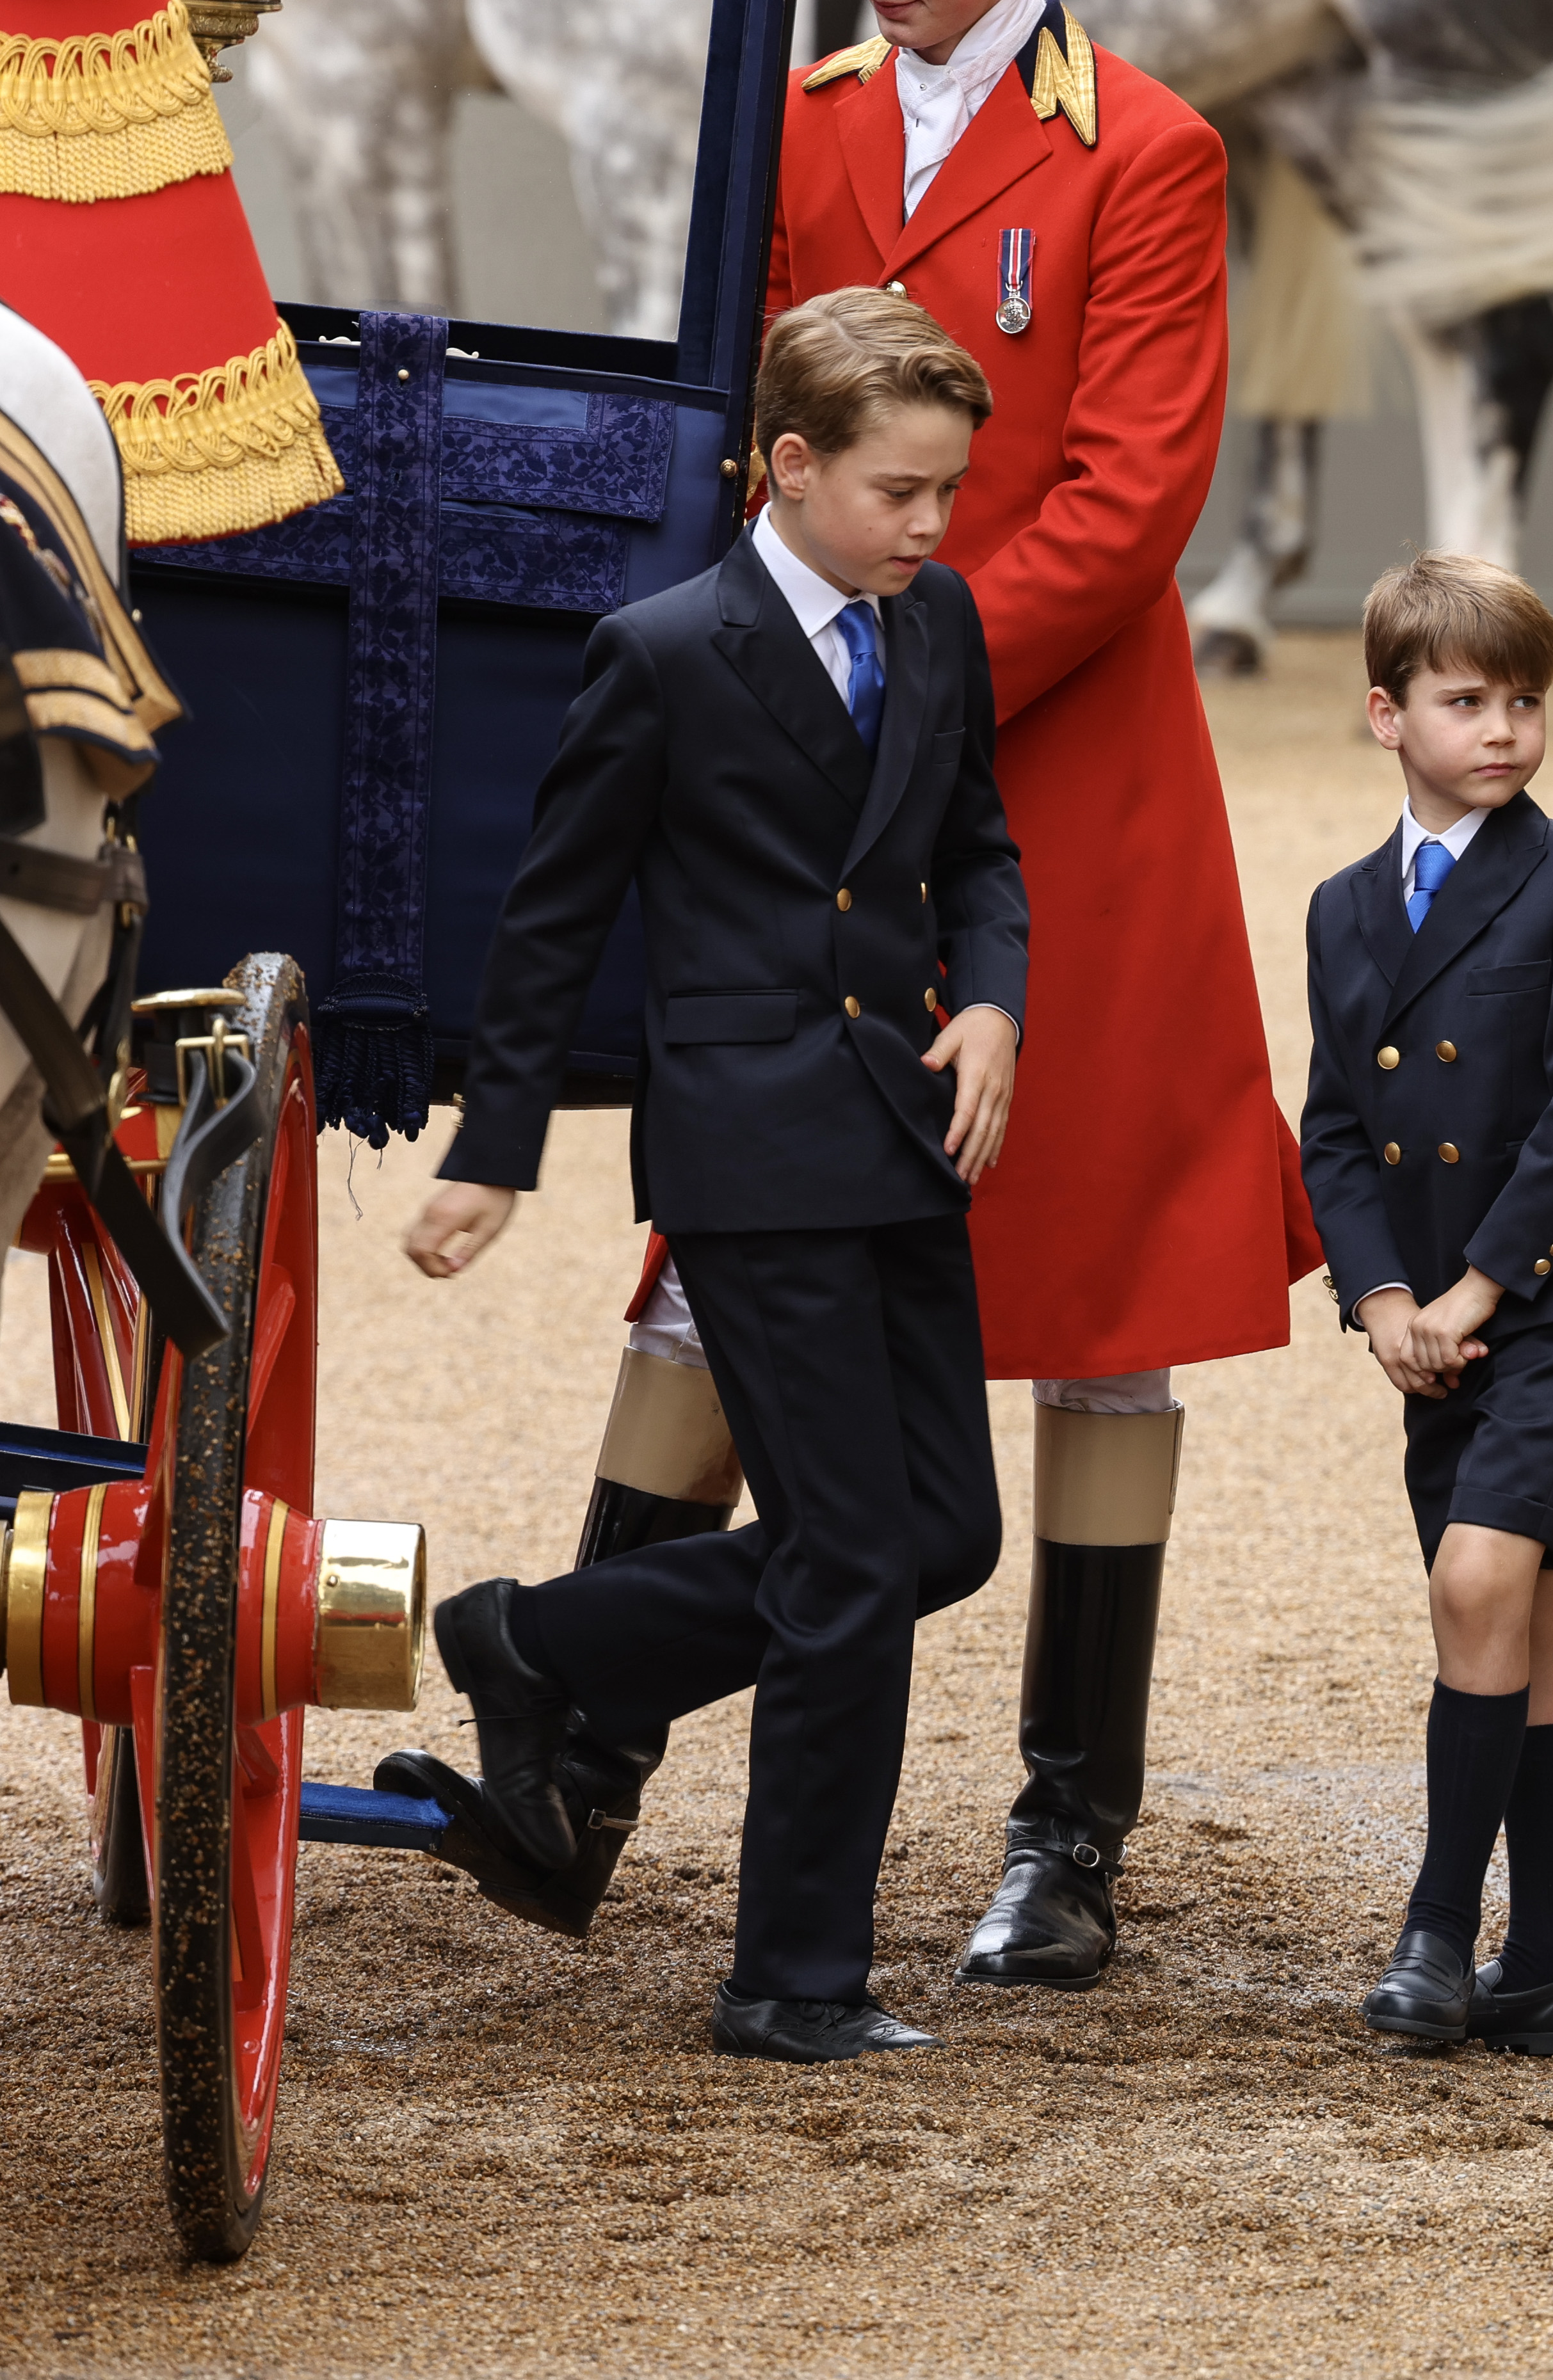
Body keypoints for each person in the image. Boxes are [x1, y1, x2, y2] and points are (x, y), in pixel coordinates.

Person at [563, 0, 1324, 1994]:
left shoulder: (1148, 148)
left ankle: (1070, 1827)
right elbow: (752, 421)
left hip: (1056, 770)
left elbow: (1134, 491)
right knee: (728, 1249)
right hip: (816, 752)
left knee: (1105, 1302)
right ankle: (577, 1760)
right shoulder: (795, 121)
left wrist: (908, 672)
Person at [388, 289, 1032, 2065]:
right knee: (842, 1558)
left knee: (945, 1537)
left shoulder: (942, 620)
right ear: (792, 466)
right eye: (901, 490)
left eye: (950, 493)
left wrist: (990, 1002)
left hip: (905, 1129)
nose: (931, 524)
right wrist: (494, 1156)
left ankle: (533, 1637)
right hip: (748, 1152)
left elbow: (978, 847)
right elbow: (553, 916)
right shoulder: (664, 649)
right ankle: (794, 1980)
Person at [1299, 552, 1553, 2054]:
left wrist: (1473, 1290)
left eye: (1526, 701)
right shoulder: (1344, 911)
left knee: (1474, 1589)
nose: (1506, 731)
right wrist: (1384, 1296)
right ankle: (1550, 1971)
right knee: (1526, 1616)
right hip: (1432, 1320)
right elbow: (1334, 1125)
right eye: (1467, 701)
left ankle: (1437, 1931)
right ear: (1386, 716)